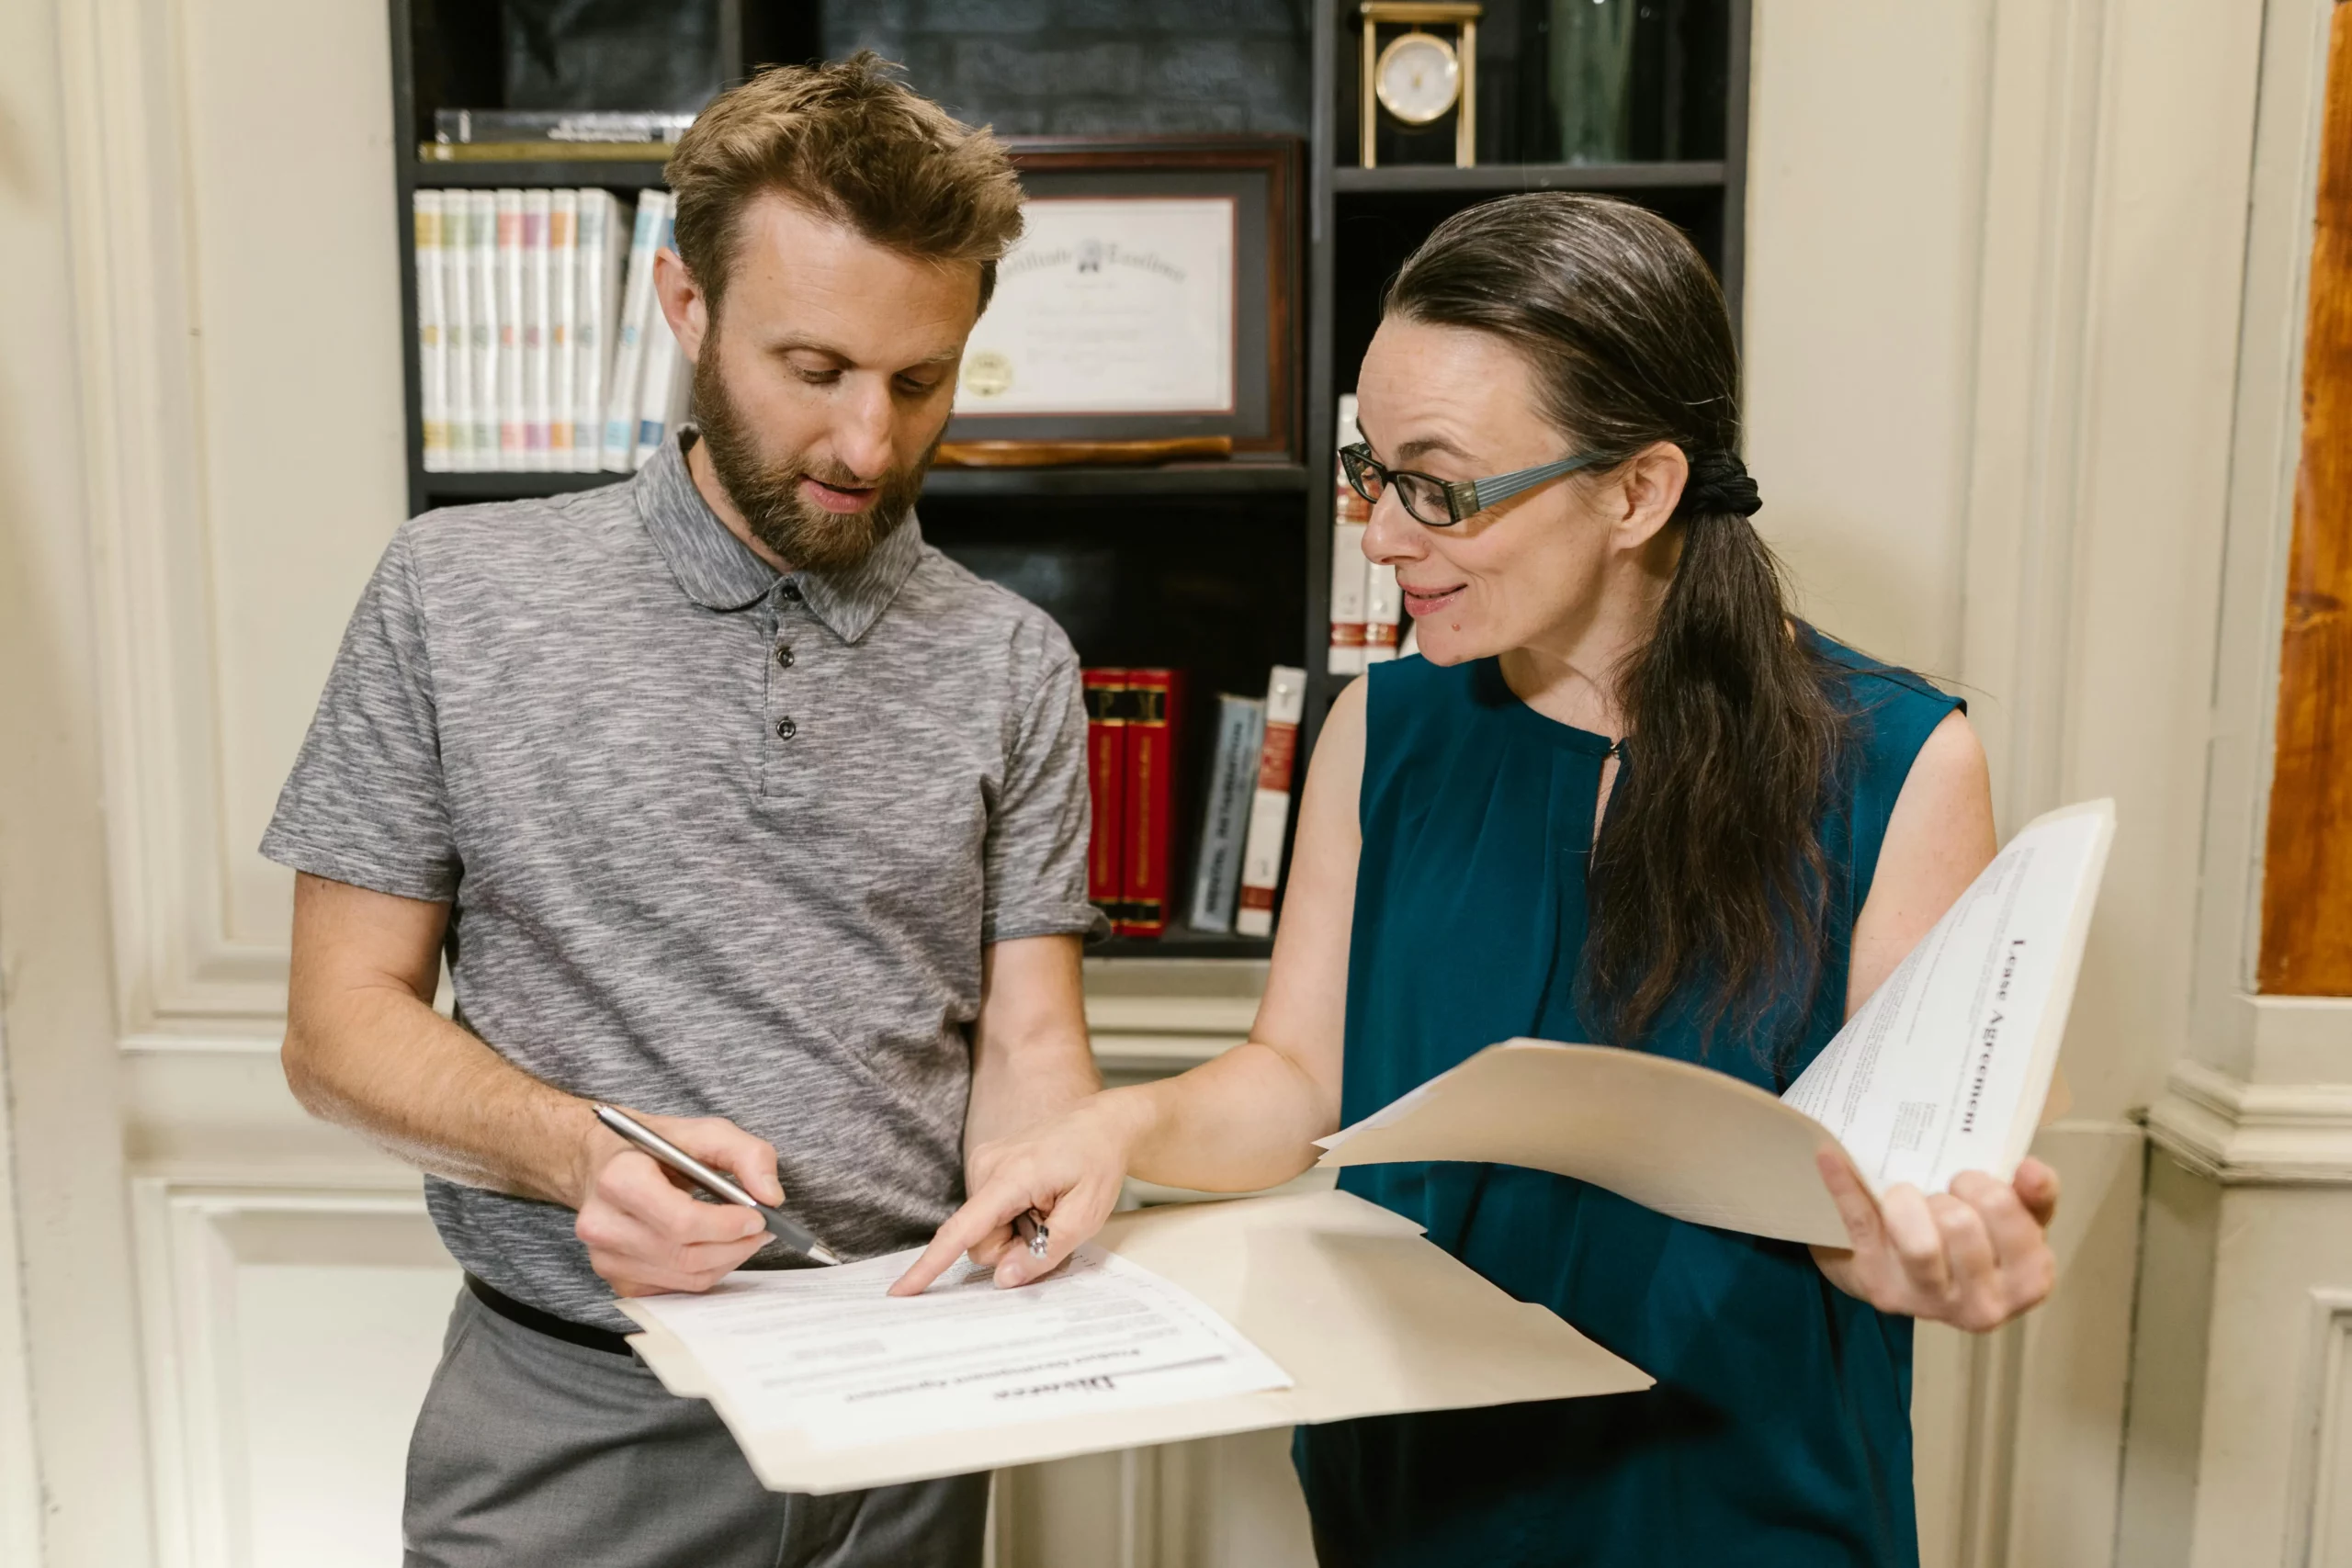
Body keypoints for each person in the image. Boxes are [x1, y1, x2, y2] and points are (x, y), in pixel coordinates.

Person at [894, 192, 2061, 1567]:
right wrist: (1118, 1129)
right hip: (1414, 1509)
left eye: (1438, 486)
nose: (1384, 537)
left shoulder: (1901, 767)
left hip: (1740, 1510)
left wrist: (1928, 1255)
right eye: (1369, 470)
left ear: (1639, 490)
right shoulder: (1378, 733)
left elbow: (1879, 1212)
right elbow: (1300, 1083)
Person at [266, 57, 1105, 1568]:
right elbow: (336, 1028)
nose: (867, 444)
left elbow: (1029, 1040)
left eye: (920, 383)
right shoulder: (454, 597)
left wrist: (1039, 1188)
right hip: (572, 1425)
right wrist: (578, 1151)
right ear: (684, 304)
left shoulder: (1014, 661)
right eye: (815, 368)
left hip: (908, 1419)